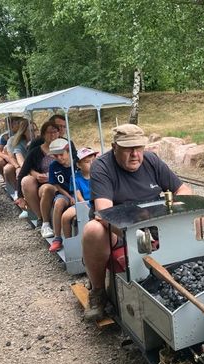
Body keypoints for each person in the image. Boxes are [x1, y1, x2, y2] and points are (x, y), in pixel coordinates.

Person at [82, 124, 192, 320]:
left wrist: (171, 215)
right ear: (114, 147)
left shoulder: (151, 160)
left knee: (197, 220)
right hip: (119, 230)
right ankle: (98, 292)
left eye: (138, 148)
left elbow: (184, 191)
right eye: (128, 149)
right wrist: (138, 233)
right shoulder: (102, 166)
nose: (135, 154)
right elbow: (104, 212)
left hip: (155, 224)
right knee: (92, 229)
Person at [15, 121, 60, 237]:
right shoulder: (35, 152)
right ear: (43, 135)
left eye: (55, 132)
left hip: (61, 182)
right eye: (49, 132)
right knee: (43, 187)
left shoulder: (64, 148)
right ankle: (44, 222)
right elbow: (23, 172)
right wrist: (20, 196)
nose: (52, 135)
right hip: (44, 184)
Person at [61, 147, 98, 241]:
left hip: (97, 201)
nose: (91, 164)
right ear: (79, 165)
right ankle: (69, 241)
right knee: (65, 216)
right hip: (83, 203)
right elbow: (78, 195)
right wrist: (86, 206)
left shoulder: (99, 174)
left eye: (93, 161)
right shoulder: (75, 178)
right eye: (87, 162)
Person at [46, 138, 76, 253]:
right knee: (58, 203)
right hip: (64, 193)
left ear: (68, 151)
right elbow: (56, 185)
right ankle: (57, 238)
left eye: (61, 155)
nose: (59, 158)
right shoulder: (54, 166)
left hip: (79, 193)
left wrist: (75, 196)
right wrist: (69, 197)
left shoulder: (76, 162)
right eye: (55, 156)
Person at [0, 117, 22, 183]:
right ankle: (7, 180)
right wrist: (6, 157)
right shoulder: (4, 136)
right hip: (8, 155)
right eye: (16, 123)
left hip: (19, 154)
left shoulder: (24, 134)